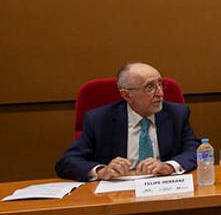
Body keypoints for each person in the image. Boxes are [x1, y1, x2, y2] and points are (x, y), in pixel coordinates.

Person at [55, 62, 199, 181]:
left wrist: (168, 167)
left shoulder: (176, 114)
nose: (160, 92)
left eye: (160, 84)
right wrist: (101, 171)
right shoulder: (99, 120)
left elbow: (195, 151)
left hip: (164, 188)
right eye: (150, 87)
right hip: (117, 195)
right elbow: (68, 162)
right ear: (126, 95)